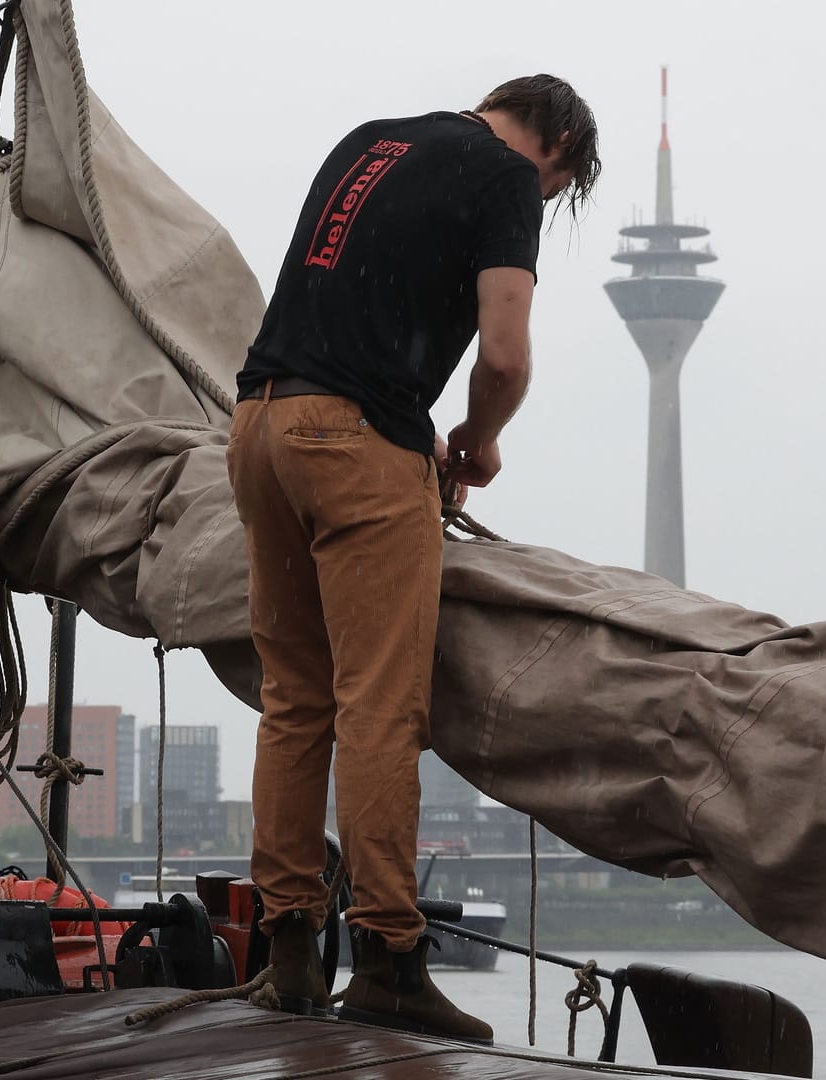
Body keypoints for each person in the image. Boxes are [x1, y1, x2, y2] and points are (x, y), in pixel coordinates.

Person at [227, 75, 600, 1042]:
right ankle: (390, 958)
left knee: (295, 699)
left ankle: (292, 954)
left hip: (260, 425)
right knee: (380, 706)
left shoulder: (372, 141)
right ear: (554, 144)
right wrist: (477, 440)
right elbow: (507, 355)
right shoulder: (508, 176)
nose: (542, 205)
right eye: (558, 193)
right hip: (357, 444)